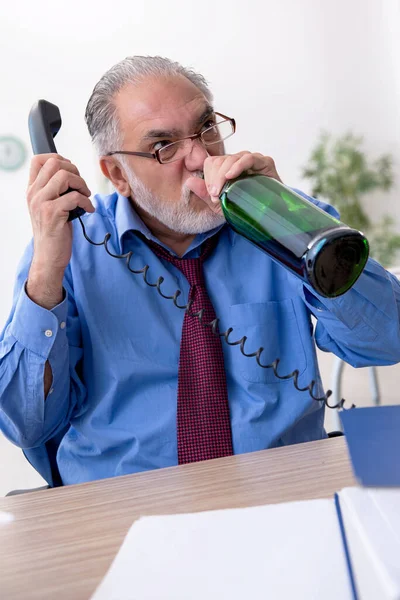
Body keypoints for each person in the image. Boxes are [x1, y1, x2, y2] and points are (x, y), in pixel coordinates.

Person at [1, 56, 399, 487]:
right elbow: (26, 424)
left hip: (283, 496)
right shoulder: (69, 249)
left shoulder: (287, 218)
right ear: (118, 173)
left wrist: (294, 225)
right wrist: (45, 274)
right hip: (125, 509)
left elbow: (388, 341)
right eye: (164, 147)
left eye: (206, 127)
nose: (198, 156)